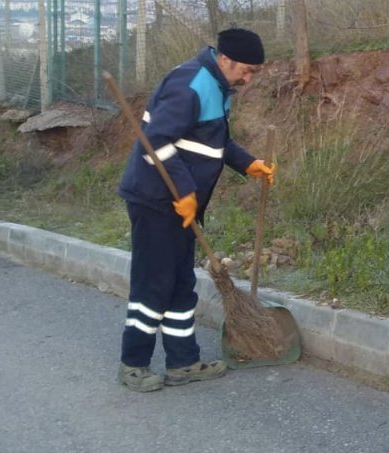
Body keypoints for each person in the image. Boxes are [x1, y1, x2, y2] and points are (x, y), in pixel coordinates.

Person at [116, 28, 276, 392]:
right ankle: (133, 364)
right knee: (153, 284)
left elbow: (213, 140)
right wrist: (186, 191)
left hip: (182, 206)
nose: (248, 79)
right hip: (156, 201)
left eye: (254, 73)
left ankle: (183, 363)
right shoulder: (190, 83)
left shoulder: (218, 87)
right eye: (246, 71)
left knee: (180, 283)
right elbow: (155, 140)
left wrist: (248, 163)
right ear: (225, 59)